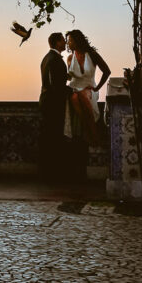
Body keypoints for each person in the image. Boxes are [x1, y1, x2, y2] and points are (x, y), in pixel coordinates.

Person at [65, 29, 111, 172]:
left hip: (89, 89)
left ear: (77, 40)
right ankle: (91, 132)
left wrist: (97, 88)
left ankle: (93, 134)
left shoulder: (92, 54)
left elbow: (107, 71)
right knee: (75, 96)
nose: (68, 43)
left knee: (82, 95)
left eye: (70, 40)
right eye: (67, 40)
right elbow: (69, 77)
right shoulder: (69, 58)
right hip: (74, 88)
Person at [39, 32, 71, 180]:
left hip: (47, 101)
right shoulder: (54, 59)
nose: (65, 43)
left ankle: (48, 172)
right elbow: (55, 84)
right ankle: (52, 173)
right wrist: (70, 90)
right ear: (57, 42)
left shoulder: (47, 58)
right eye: (63, 41)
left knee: (49, 136)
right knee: (53, 137)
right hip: (53, 103)